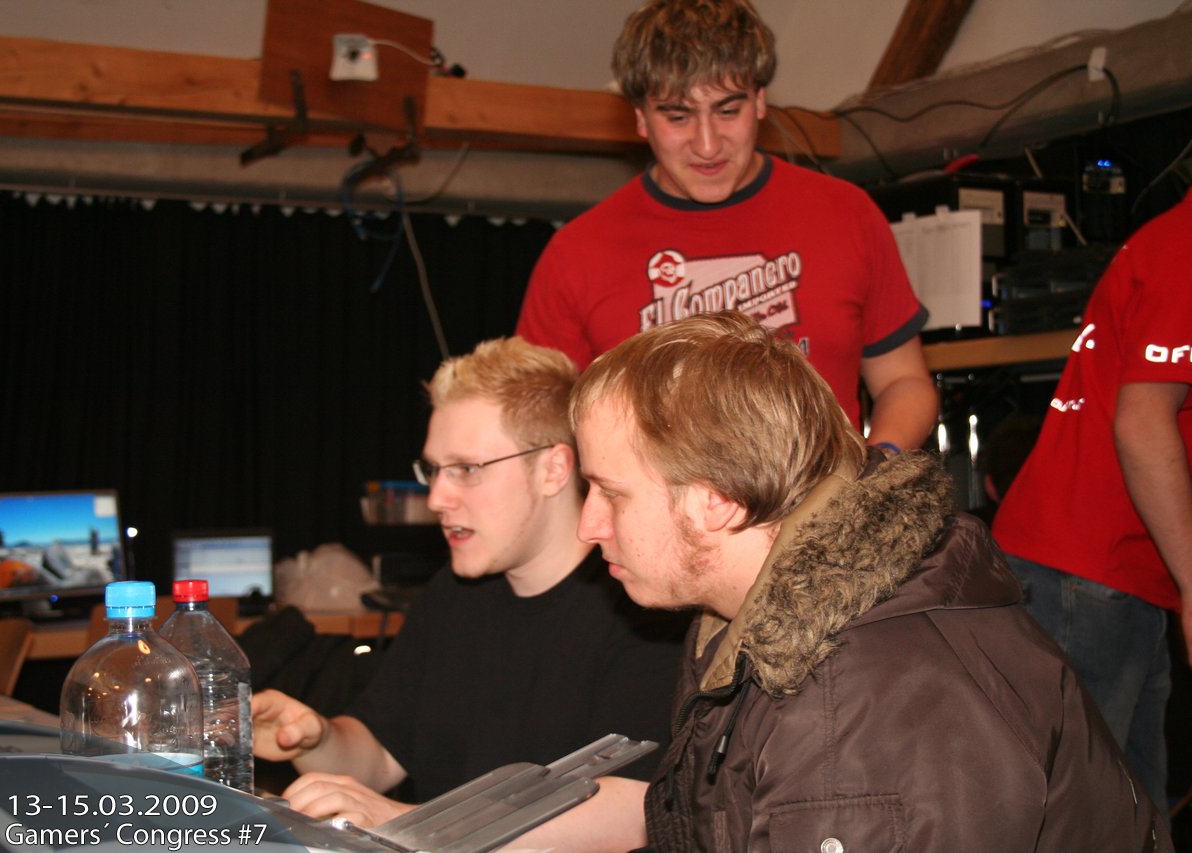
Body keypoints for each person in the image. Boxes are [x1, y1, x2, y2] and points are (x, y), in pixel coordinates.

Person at [518, 310, 1171, 851]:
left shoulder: (861, 713)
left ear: (717, 500)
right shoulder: (752, 623)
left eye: (610, 492)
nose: (588, 525)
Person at [251, 336, 687, 828]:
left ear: (553, 469)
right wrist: (316, 739)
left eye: (466, 469)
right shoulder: (452, 596)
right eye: (434, 470)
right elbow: (377, 757)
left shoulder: (640, 605)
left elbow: (632, 810)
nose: (436, 498)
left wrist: (409, 824)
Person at [515, 0, 937, 452]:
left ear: (760, 100)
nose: (707, 144)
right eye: (678, 117)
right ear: (640, 117)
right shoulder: (577, 252)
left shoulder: (847, 214)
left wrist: (876, 468)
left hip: (830, 496)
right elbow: (535, 426)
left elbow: (904, 382)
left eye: (727, 111)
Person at [993, 190, 1192, 821]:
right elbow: (1143, 423)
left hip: (1114, 574)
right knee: (1077, 820)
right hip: (1086, 573)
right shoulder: (1185, 245)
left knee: (1131, 817)